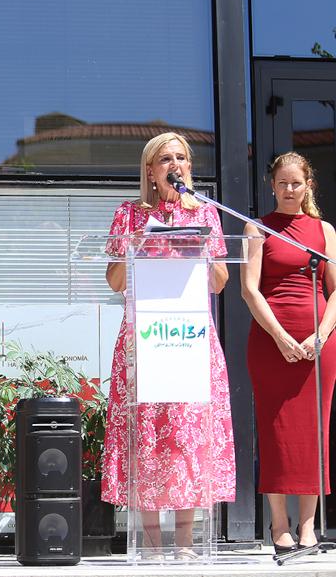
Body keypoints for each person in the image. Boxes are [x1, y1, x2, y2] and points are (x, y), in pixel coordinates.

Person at [101, 132, 235, 560]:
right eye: (165, 159)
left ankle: (185, 545)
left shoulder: (206, 213)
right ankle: (152, 546)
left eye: (181, 158)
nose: (175, 164)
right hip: (144, 340)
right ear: (150, 170)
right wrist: (136, 247)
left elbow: (220, 282)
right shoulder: (128, 214)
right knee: (148, 437)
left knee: (186, 438)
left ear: (189, 167)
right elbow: (115, 281)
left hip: (189, 338)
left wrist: (200, 246)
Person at [240, 152, 336, 555]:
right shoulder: (257, 228)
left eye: (296, 183)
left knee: (314, 430)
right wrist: (280, 337)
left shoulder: (325, 230)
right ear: (272, 186)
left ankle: (308, 526)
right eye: (282, 183)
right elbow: (249, 289)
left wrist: (321, 335)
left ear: (308, 185)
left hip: (319, 343)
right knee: (275, 429)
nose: (289, 189)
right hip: (270, 340)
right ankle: (279, 525)